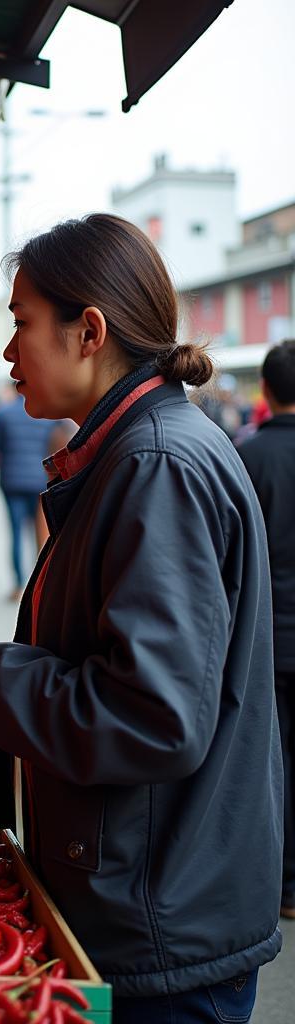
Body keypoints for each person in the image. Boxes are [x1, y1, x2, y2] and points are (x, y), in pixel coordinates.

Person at [0, 214, 282, 1022]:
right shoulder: (138, 450)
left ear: (89, 330)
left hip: (161, 919)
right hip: (157, 889)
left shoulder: (155, 465)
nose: (9, 352)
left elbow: (153, 715)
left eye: (21, 325)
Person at [237, 339, 295, 920]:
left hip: (270, 634)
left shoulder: (247, 457)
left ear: (267, 391)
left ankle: (281, 882)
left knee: (271, 760)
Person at [0, 386, 54, 599]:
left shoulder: (3, 413)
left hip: (12, 481)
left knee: (15, 533)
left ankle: (17, 584)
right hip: (40, 480)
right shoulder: (46, 414)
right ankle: (40, 584)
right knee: (41, 534)